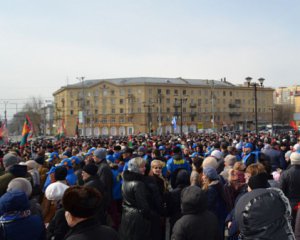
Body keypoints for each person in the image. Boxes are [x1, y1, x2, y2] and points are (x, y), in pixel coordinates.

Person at [119, 157, 154, 240]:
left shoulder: (125, 180)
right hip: (137, 217)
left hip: (127, 214)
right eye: (142, 167)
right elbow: (143, 205)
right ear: (135, 168)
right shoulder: (138, 184)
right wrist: (148, 215)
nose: (145, 169)